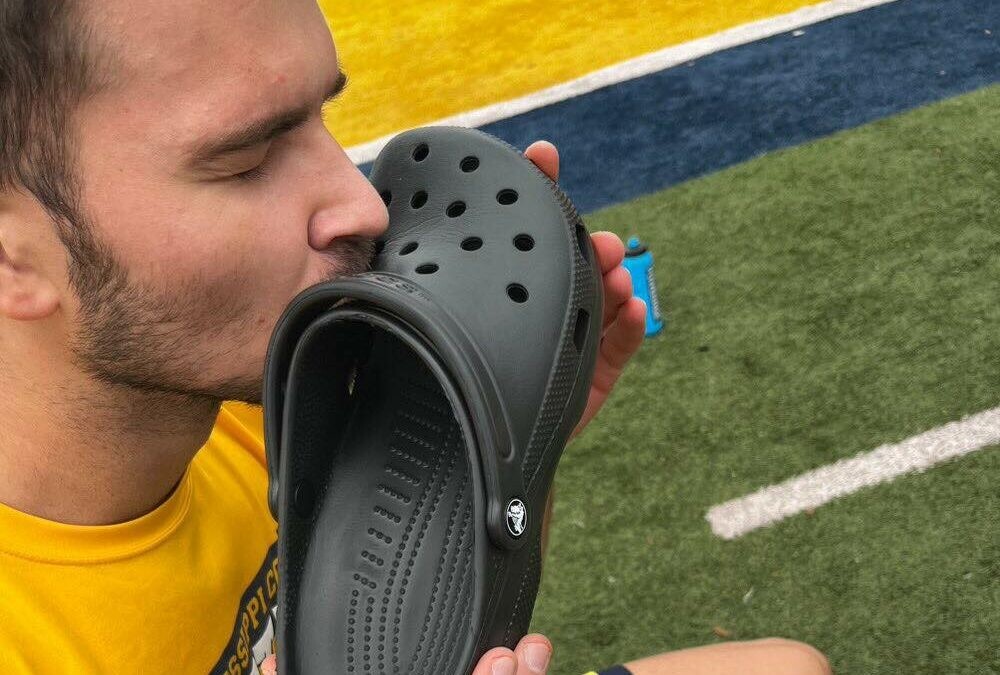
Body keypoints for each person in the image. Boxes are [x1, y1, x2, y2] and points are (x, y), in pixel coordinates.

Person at [0, 1, 832, 673]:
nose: (362, 206)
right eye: (246, 160)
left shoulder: (268, 384)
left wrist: (496, 455)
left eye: (324, 117)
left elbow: (415, 621)